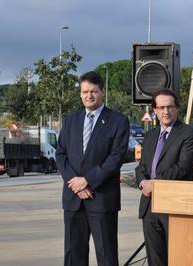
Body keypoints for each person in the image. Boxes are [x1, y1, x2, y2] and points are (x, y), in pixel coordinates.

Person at [56, 71, 130, 266]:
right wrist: (76, 185)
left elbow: (116, 158)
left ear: (102, 92)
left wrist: (87, 180)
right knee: (73, 254)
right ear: (80, 94)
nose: (89, 95)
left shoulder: (118, 121)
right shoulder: (70, 121)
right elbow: (61, 154)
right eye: (85, 91)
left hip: (102, 198)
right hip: (74, 200)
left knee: (106, 254)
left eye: (93, 91)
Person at [135, 89, 193, 266]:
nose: (166, 111)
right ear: (154, 110)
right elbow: (142, 167)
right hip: (149, 206)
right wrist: (143, 183)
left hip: (174, 207)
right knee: (155, 261)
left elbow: (182, 167)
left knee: (178, 259)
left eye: (170, 106)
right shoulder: (149, 136)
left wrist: (154, 184)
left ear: (177, 109)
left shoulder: (189, 133)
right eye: (161, 107)